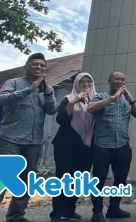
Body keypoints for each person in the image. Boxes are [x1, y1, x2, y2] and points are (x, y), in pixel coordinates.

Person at [0, 53, 57, 222]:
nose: (39, 68)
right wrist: (29, 89)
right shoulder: (13, 83)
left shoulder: (46, 90)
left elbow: (52, 110)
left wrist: (48, 92)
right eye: (35, 64)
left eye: (42, 66)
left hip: (34, 142)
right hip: (10, 140)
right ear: (26, 66)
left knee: (26, 182)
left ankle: (16, 215)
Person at [87, 71, 136, 222]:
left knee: (120, 179)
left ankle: (114, 208)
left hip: (122, 144)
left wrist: (131, 100)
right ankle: (97, 211)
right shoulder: (101, 97)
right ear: (109, 81)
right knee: (99, 180)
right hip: (101, 145)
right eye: (116, 79)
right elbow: (90, 109)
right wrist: (112, 98)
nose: (120, 81)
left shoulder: (126, 100)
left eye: (122, 79)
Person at [50, 72, 96, 222]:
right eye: (82, 82)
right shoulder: (68, 98)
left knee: (80, 179)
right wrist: (74, 101)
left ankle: (69, 209)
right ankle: (56, 212)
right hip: (66, 144)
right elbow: (61, 119)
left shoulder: (96, 100)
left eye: (89, 82)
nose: (86, 85)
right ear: (76, 83)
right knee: (63, 178)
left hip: (86, 145)